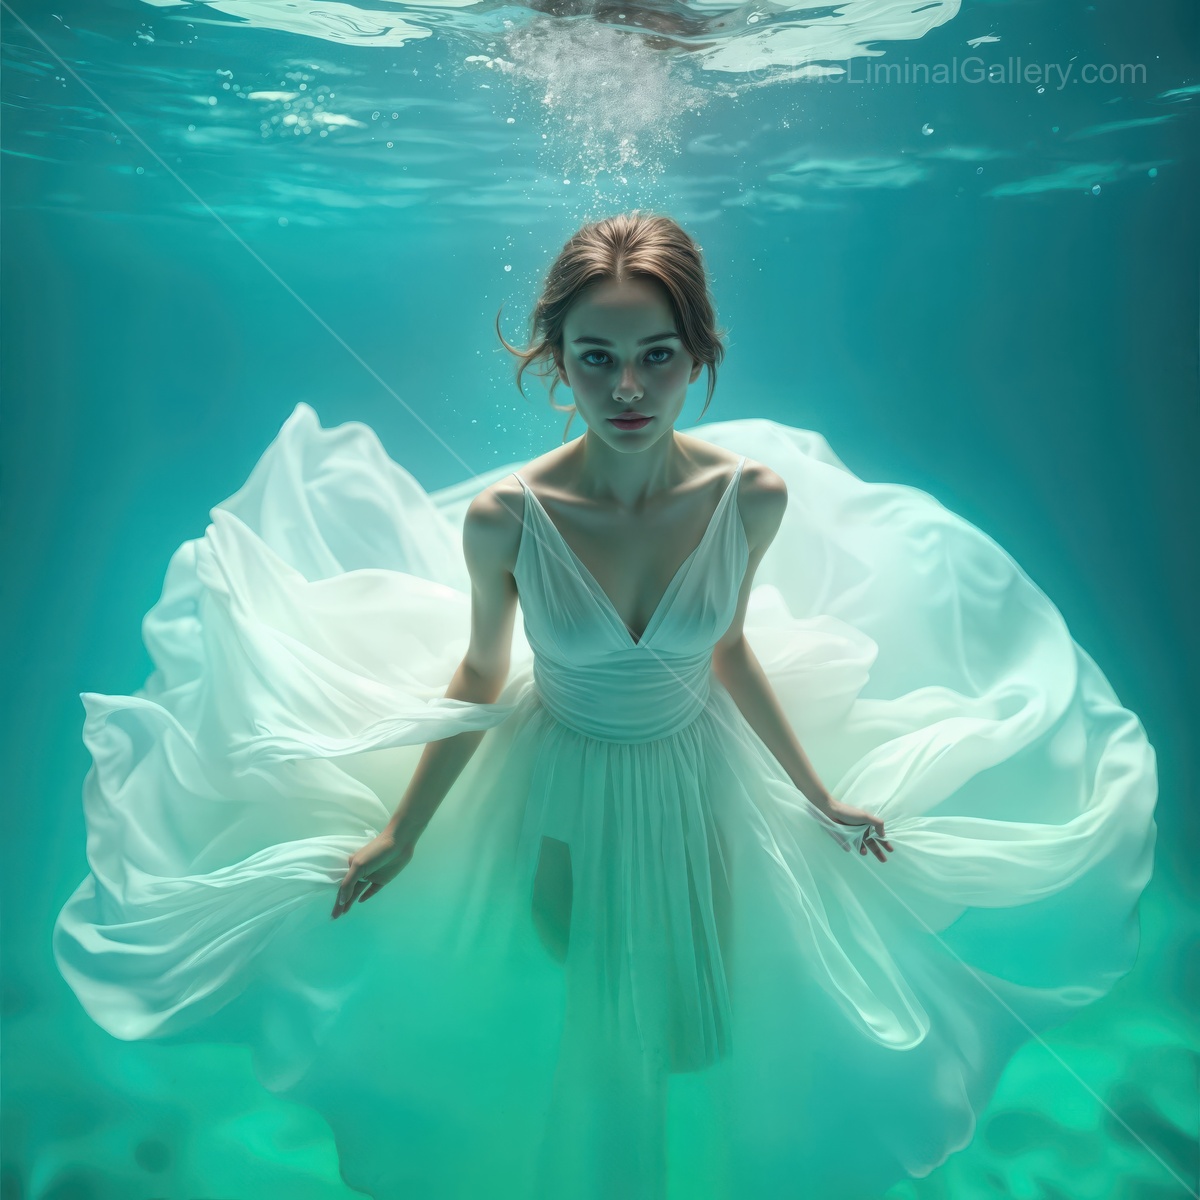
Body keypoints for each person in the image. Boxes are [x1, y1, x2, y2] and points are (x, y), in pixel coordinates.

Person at [53, 211, 1158, 1200]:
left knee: (699, 1031)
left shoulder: (749, 499)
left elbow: (728, 650)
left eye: (656, 356)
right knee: (576, 1000)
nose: (628, 388)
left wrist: (819, 796)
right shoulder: (506, 517)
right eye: (597, 359)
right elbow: (478, 676)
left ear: (699, 354)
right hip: (554, 773)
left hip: (700, 769)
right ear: (555, 363)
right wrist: (403, 831)